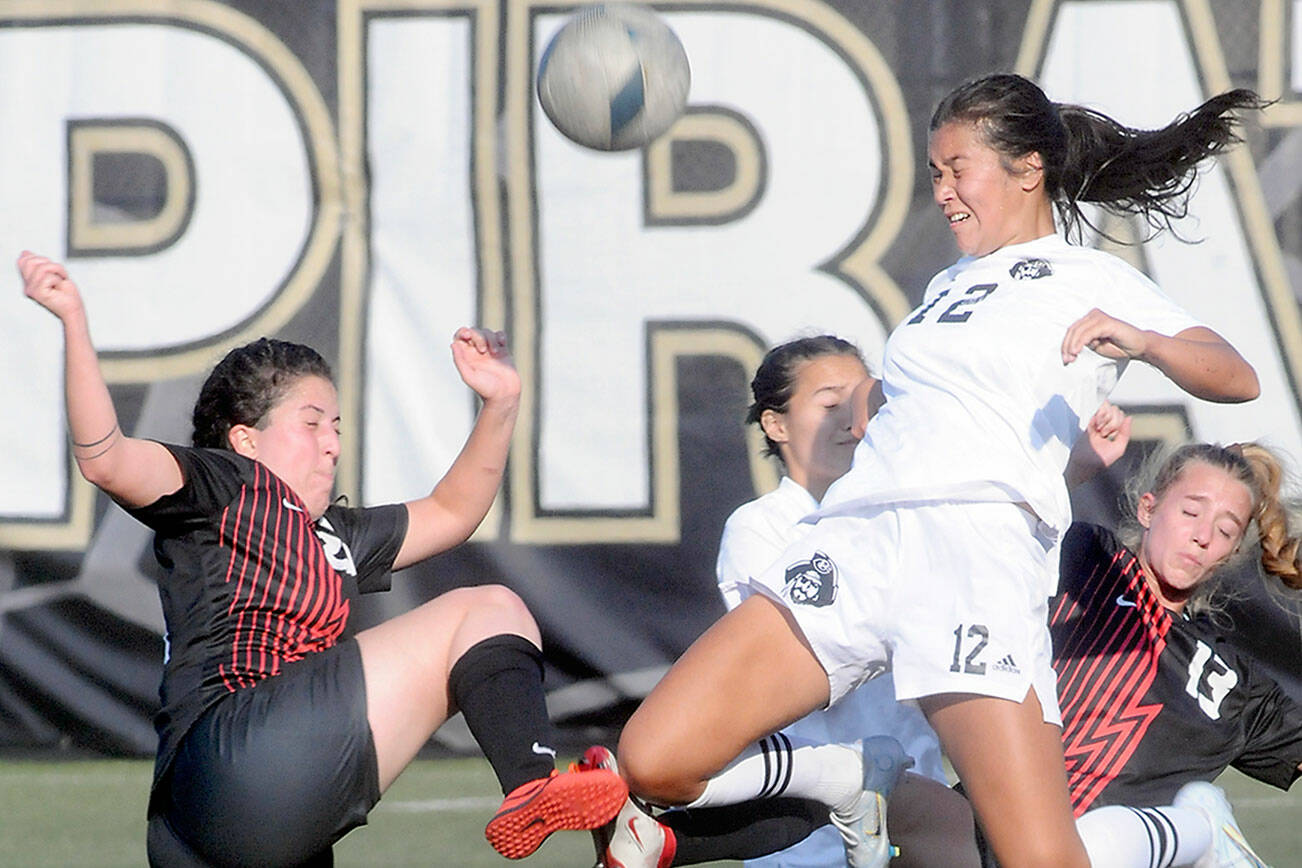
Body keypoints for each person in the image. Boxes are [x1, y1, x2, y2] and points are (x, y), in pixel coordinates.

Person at [611, 72, 1264, 868]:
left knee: (1039, 862)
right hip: (857, 539)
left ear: (1028, 169)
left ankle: (1192, 832)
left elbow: (1235, 375)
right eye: (934, 172)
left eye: (958, 168)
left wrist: (1145, 339)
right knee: (655, 756)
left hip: (972, 556)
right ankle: (851, 778)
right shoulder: (946, 286)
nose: (944, 190)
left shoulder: (1091, 278)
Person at [17, 251, 626, 867]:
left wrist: (500, 403)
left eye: (335, 424)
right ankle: (531, 783)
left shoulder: (328, 535)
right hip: (237, 753)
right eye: (311, 423)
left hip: (210, 826)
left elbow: (452, 512)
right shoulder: (227, 483)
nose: (332, 442)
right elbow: (105, 457)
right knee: (490, 607)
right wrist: (73, 320)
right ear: (245, 438)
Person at [1044, 432, 1302, 868]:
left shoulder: (1229, 684)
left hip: (1099, 853)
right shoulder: (1085, 558)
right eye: (1190, 511)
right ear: (1149, 508)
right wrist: (1072, 471)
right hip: (993, 826)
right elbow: (998, 525)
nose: (1202, 536)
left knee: (1091, 841)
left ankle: (1203, 833)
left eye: (1224, 530)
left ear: (1231, 553)